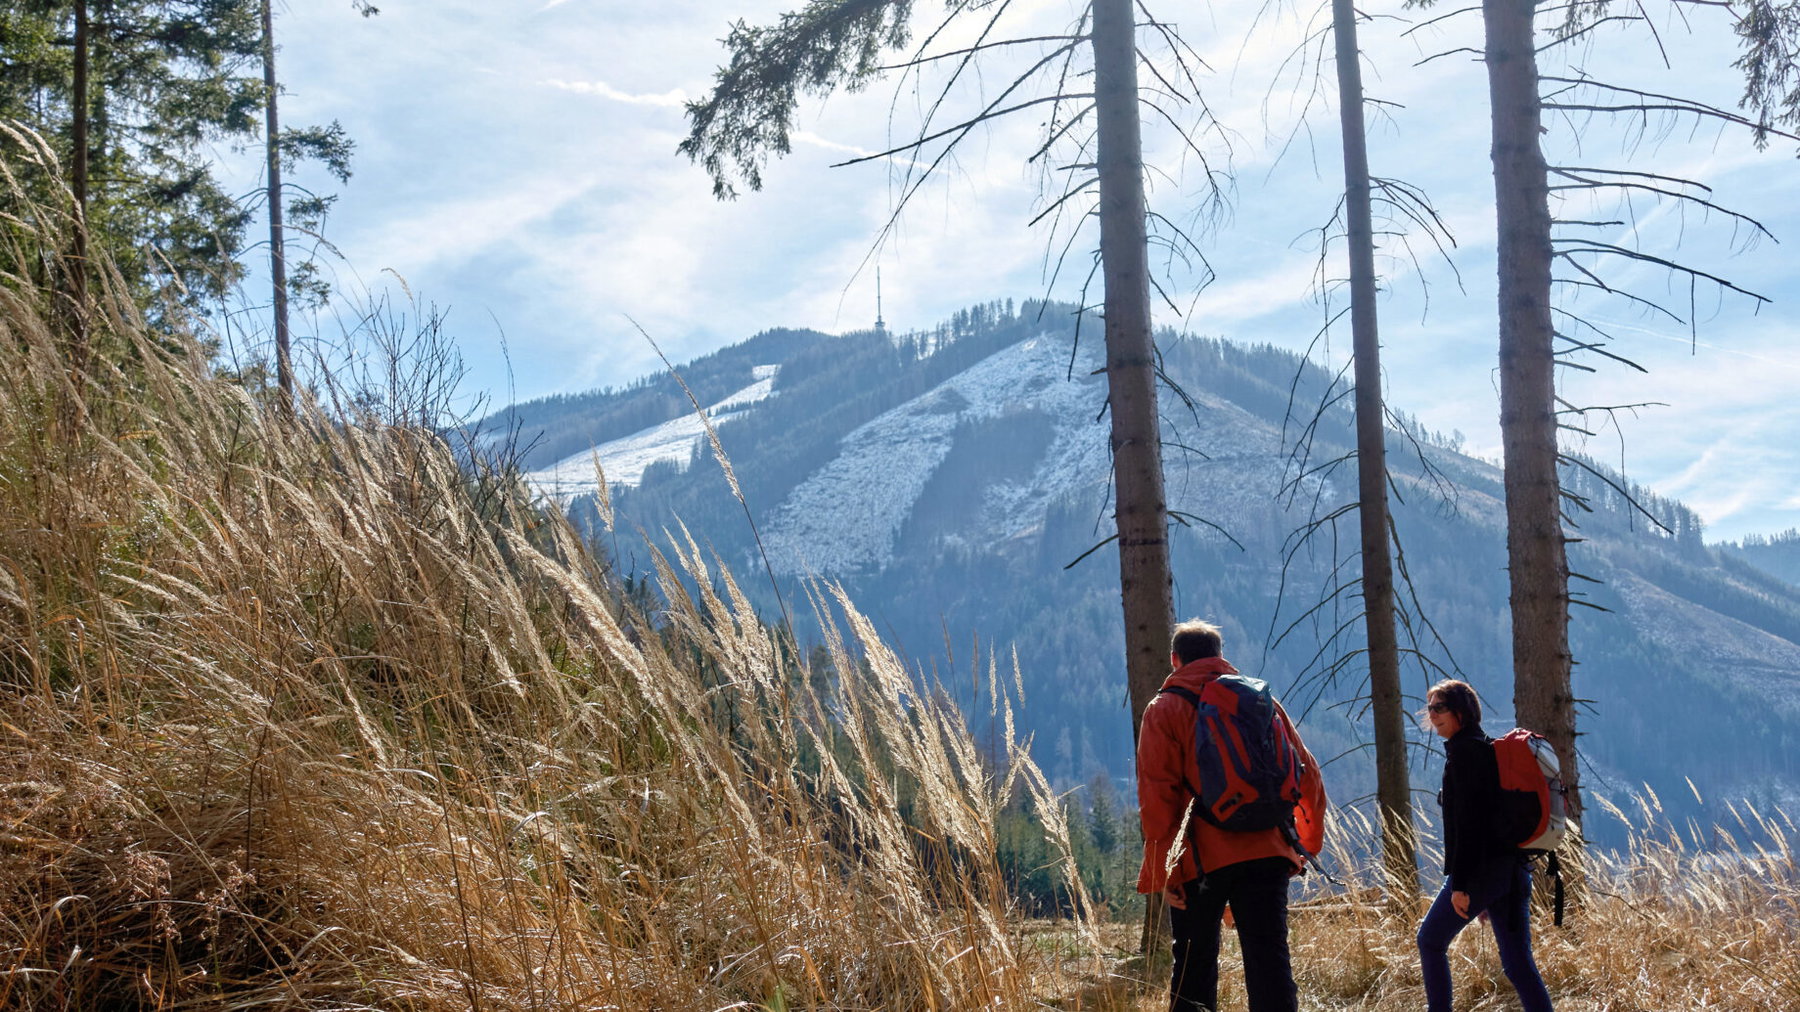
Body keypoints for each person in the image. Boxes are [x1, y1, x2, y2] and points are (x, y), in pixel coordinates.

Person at [1137, 619, 1327, 1012]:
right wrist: (1303, 846)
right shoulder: (1261, 701)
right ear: (1221, 657)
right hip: (1268, 850)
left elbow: (1157, 797)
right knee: (1270, 962)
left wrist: (1164, 869)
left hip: (1200, 860)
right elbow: (1306, 773)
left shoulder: (1164, 709)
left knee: (1194, 967)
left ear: (1176, 660)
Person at [1416, 679, 1553, 1012]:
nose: (1432, 716)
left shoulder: (1464, 755)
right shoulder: (1486, 748)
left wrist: (1462, 886)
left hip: (1482, 872)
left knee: (1430, 941)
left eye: (1440, 708)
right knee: (1518, 965)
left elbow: (1470, 826)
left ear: (1462, 712)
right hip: (1513, 869)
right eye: (1429, 708)